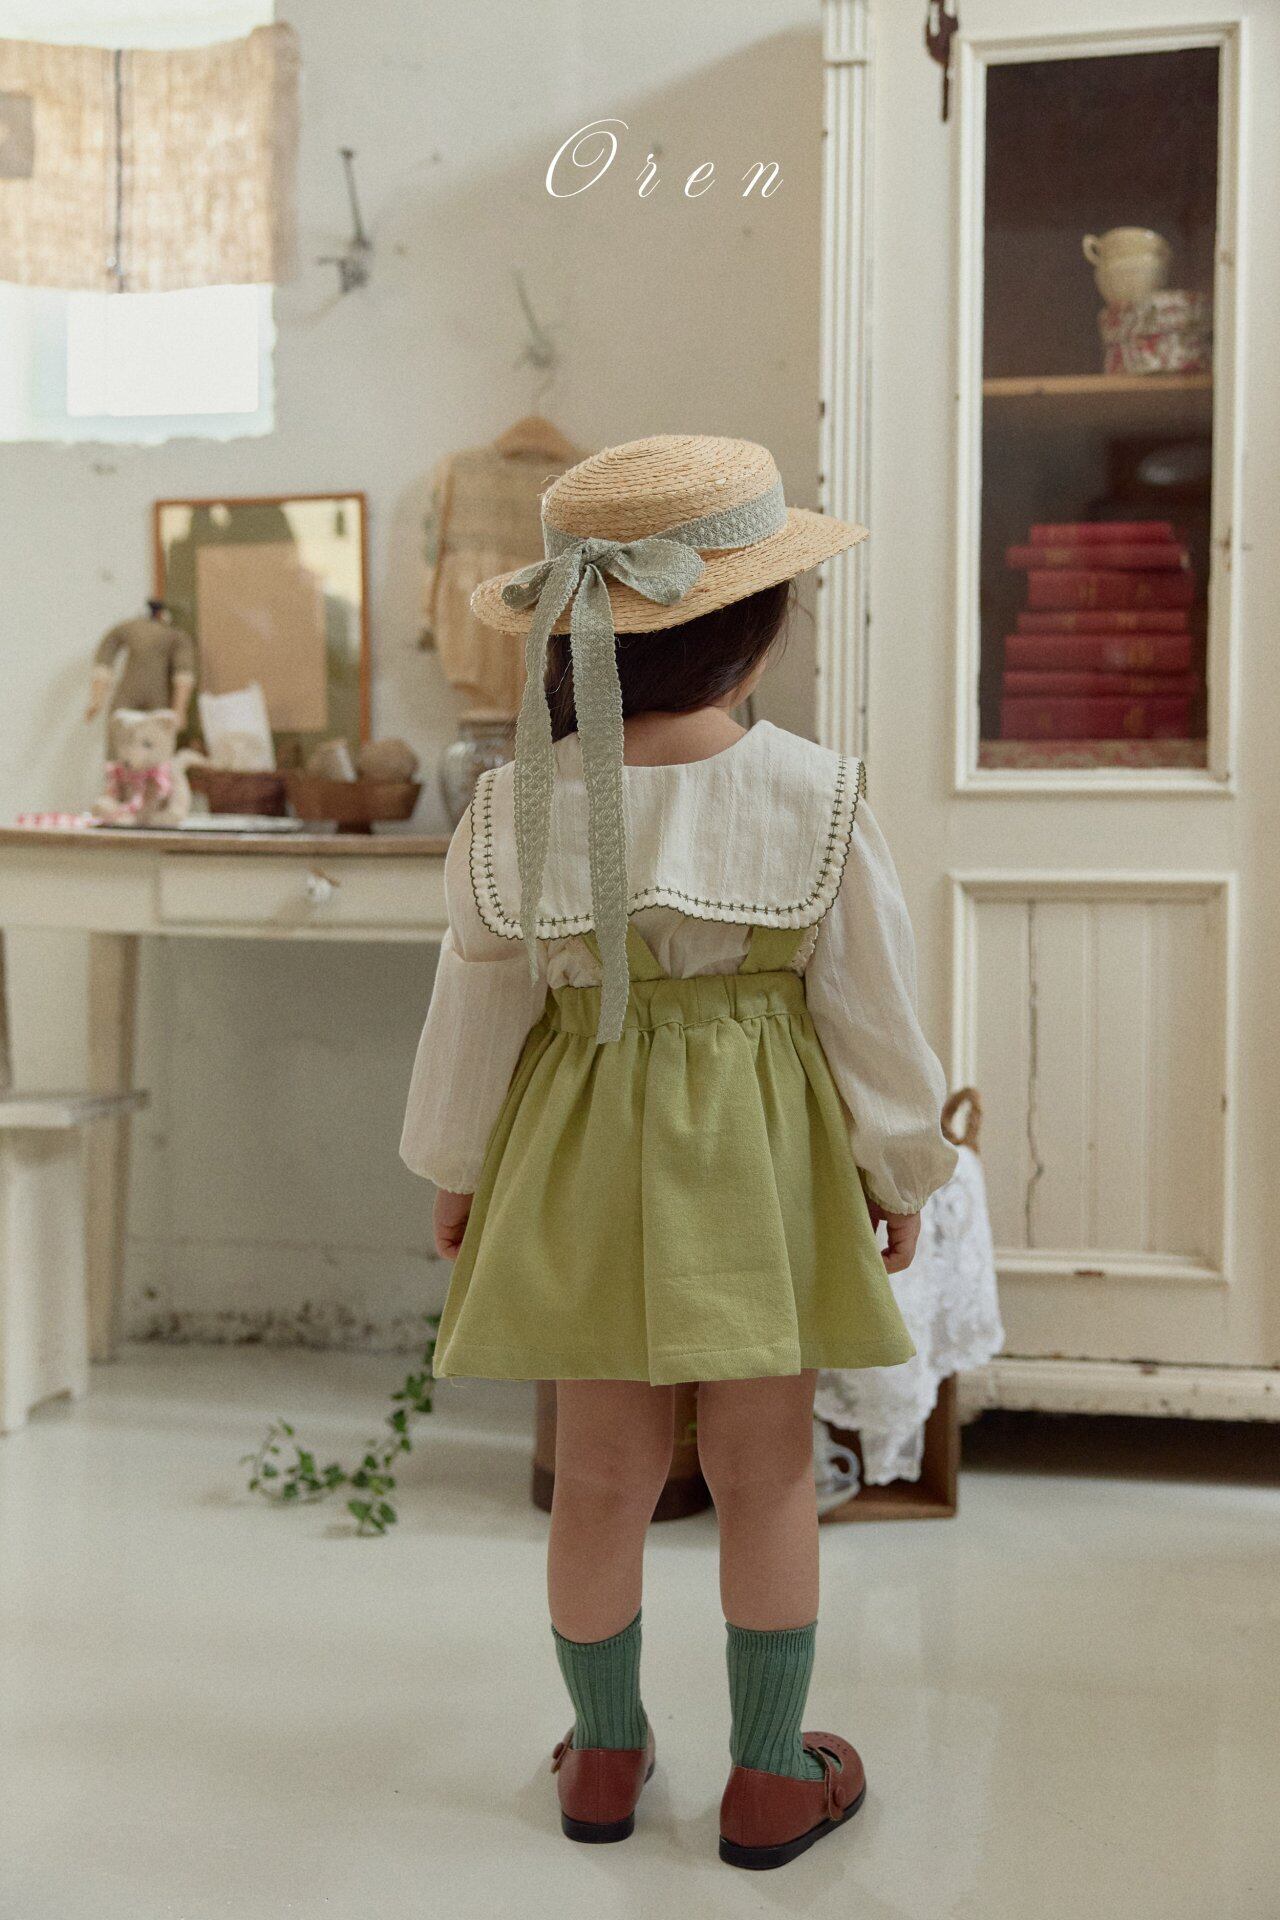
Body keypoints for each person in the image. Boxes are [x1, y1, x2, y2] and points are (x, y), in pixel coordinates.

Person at [401, 434, 957, 1870]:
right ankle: (769, 1775)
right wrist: (899, 1169)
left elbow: (477, 1005)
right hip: (758, 1158)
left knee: (601, 1476)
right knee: (767, 1473)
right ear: (755, 632)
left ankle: (602, 1754)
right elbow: (871, 1009)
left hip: (581, 1153)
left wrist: (459, 1168)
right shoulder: (814, 793)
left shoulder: (513, 803)